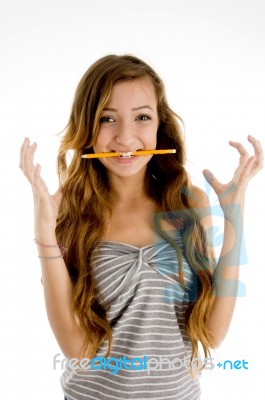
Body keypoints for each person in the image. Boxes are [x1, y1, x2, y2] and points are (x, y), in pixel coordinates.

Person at [19, 54, 263, 400]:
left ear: (159, 126)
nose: (126, 137)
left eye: (142, 117)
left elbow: (211, 333)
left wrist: (234, 219)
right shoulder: (65, 212)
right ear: (87, 126)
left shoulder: (187, 203)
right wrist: (45, 235)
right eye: (107, 118)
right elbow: (77, 350)